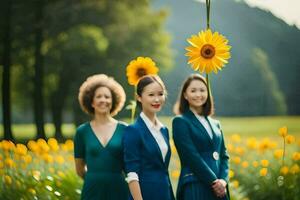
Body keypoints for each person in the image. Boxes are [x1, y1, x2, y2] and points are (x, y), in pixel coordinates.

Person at [172, 74, 230, 200]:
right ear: (185, 95)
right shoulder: (180, 121)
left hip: (220, 188)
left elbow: (224, 156)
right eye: (193, 91)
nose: (198, 94)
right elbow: (190, 156)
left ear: (208, 93)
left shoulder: (216, 124)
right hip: (195, 183)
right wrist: (214, 181)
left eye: (202, 90)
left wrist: (223, 181)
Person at [74, 74, 129, 200]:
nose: (103, 100)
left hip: (119, 189)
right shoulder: (82, 132)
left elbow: (130, 166)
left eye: (107, 97)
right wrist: (97, 178)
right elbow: (79, 170)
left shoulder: (125, 129)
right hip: (92, 190)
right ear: (91, 102)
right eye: (98, 96)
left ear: (113, 101)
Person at [123, 75, 175, 200]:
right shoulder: (133, 131)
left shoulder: (164, 130)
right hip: (144, 194)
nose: (157, 99)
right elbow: (132, 174)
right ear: (139, 98)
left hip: (165, 193)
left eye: (160, 94)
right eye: (151, 95)